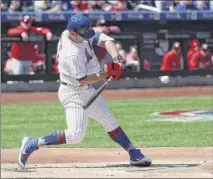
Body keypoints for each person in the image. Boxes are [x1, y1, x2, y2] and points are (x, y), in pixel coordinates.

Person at [18, 14, 152, 169]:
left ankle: (133, 152)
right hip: (73, 92)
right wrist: (107, 73)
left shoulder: (78, 33)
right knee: (75, 135)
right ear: (73, 33)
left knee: (109, 121)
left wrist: (117, 59)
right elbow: (83, 79)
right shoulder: (70, 53)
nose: (87, 37)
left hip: (86, 90)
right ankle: (33, 143)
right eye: (83, 35)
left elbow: (107, 40)